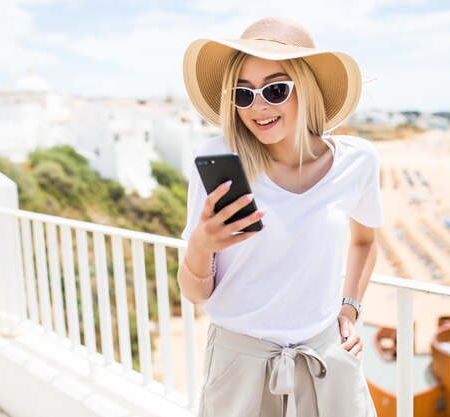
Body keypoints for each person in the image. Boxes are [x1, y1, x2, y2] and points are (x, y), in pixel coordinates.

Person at [178, 17, 382, 417]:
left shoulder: (357, 161)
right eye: (243, 93)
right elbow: (196, 292)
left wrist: (350, 309)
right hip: (239, 362)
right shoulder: (221, 161)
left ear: (304, 89)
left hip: (326, 357)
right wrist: (201, 244)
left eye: (275, 90)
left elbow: (364, 240)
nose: (258, 107)